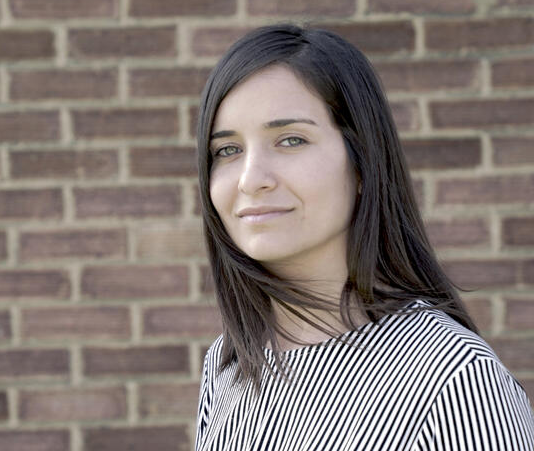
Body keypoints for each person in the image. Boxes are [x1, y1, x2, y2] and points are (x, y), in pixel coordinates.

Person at [193, 23, 534, 450]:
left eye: (291, 140)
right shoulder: (230, 363)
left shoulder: (453, 376)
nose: (250, 179)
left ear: (361, 164)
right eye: (227, 149)